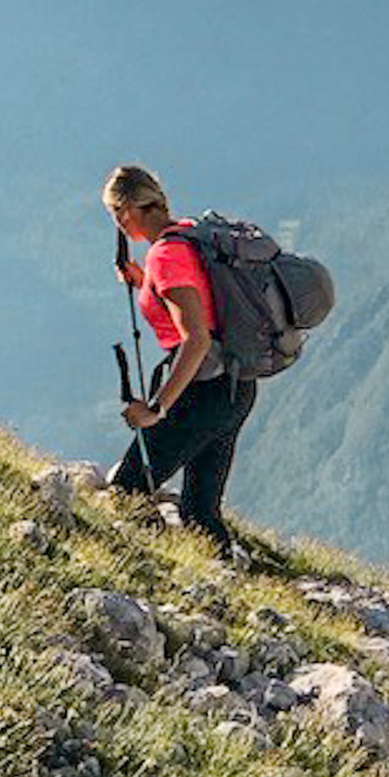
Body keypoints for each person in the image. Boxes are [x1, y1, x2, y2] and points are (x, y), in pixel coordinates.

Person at [105, 164, 254, 558]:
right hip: (235, 387)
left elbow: (197, 339)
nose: (119, 226)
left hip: (203, 390)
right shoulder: (185, 235)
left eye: (115, 215)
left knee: (128, 490)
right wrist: (143, 282)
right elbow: (200, 299)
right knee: (199, 511)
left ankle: (136, 573)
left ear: (127, 211)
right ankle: (229, 595)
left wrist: (157, 408)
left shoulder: (166, 257)